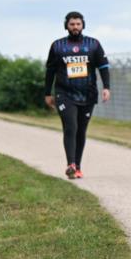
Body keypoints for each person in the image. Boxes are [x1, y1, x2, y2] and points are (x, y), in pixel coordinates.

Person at [44, 11, 110, 179]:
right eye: (72, 24)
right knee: (71, 126)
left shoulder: (93, 44)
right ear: (66, 25)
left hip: (87, 94)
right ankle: (70, 164)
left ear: (83, 25)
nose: (75, 27)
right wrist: (47, 92)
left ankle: (77, 167)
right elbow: (50, 70)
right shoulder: (57, 46)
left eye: (78, 24)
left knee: (81, 130)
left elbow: (103, 67)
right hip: (64, 93)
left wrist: (106, 87)